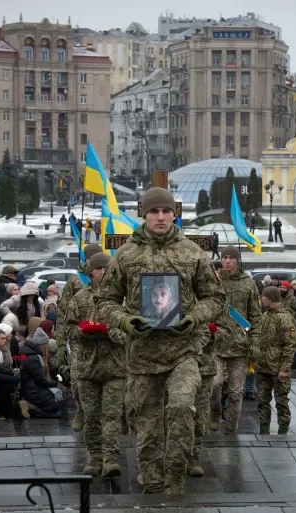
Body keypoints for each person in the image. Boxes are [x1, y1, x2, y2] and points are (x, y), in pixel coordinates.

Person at [95, 187, 224, 494]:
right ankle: (152, 481)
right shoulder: (126, 254)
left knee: (181, 406)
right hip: (143, 354)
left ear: (174, 214)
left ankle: (177, 476)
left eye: (166, 211)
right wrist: (126, 321)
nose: (161, 217)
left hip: (185, 349)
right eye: (154, 212)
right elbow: (104, 301)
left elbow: (215, 297)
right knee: (148, 423)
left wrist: (194, 317)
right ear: (145, 214)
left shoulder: (192, 252)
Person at [65, 252, 126, 477]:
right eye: (97, 269)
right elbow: (69, 328)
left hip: (115, 366)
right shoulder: (80, 298)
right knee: (91, 415)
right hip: (87, 366)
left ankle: (110, 458)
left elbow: (130, 334)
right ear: (90, 272)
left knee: (111, 414)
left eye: (105, 269)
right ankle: (95, 457)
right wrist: (83, 330)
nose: (101, 273)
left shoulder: (123, 299)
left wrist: (108, 331)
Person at [210, 245, 262, 435]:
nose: (227, 261)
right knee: (214, 384)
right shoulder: (213, 281)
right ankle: (215, 411)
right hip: (216, 343)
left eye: (232, 258)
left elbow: (256, 316)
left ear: (237, 260)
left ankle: (231, 427)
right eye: (225, 258)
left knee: (236, 391)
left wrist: (255, 342)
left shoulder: (248, 284)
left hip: (240, 345)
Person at [56, 242, 103, 432]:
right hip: (80, 337)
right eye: (93, 259)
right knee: (77, 378)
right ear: (87, 259)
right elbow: (63, 313)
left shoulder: (110, 278)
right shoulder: (76, 281)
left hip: (105, 336)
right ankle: (81, 410)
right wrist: (60, 342)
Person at [257, 286, 296, 435]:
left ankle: (283, 432)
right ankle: (263, 430)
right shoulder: (265, 316)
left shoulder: (284, 317)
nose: (262, 299)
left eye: (263, 297)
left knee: (281, 402)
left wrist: (284, 369)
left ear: (269, 298)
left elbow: (290, 344)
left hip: (278, 368)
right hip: (263, 367)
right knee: (262, 402)